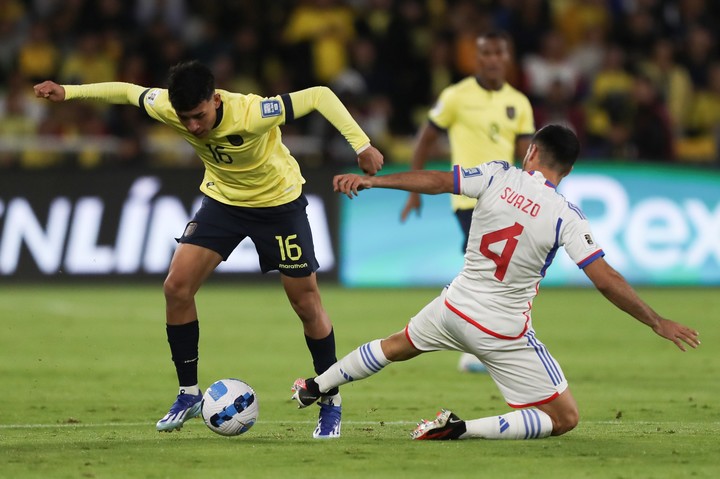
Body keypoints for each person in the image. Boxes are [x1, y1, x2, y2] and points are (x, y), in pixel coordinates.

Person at [34, 60, 384, 439]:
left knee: (305, 303)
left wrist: (361, 145)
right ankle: (188, 394)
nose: (193, 127)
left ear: (216, 100)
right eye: (185, 119)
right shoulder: (168, 105)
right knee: (176, 287)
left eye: (199, 116)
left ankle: (329, 398)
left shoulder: (252, 112)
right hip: (223, 204)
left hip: (279, 207)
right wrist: (69, 92)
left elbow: (319, 95)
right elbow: (126, 92)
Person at [291, 124, 700, 440]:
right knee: (565, 418)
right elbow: (606, 280)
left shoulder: (497, 175)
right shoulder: (566, 216)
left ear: (532, 151)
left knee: (395, 345)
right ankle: (460, 429)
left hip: (453, 307)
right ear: (569, 170)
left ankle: (316, 384)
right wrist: (656, 321)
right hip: (502, 331)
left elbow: (438, 182)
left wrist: (376, 181)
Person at [400, 30, 535, 373]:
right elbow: (425, 139)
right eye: (485, 53)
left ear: (507, 57)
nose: (491, 59)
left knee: (501, 272)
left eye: (498, 53)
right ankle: (480, 346)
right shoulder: (456, 96)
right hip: (468, 199)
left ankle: (484, 342)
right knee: (487, 272)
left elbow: (527, 155)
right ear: (477, 59)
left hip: (507, 199)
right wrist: (415, 189)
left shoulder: (519, 102)